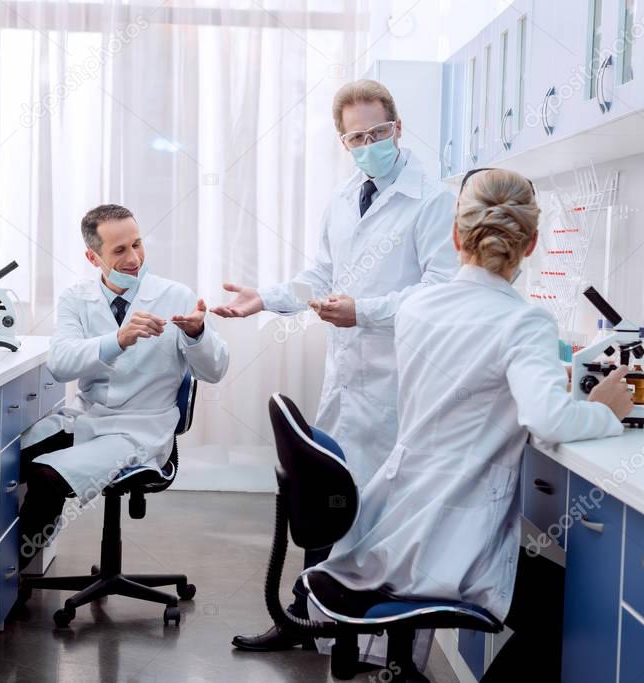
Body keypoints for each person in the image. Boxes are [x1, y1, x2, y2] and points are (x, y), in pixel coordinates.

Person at [308, 168, 634, 681]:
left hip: (393, 525)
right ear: (530, 247)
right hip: (453, 541)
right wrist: (607, 409)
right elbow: (547, 418)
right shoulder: (524, 321)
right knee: (574, 612)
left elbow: (464, 376)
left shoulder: (417, 305)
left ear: (456, 236)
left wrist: (541, 370)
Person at [216, 80, 458, 652]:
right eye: (356, 137)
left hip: (400, 384)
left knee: (382, 517)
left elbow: (441, 292)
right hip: (348, 377)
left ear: (398, 129)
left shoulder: (435, 199)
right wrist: (266, 298)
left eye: (378, 132)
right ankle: (304, 619)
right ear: (343, 141)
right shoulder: (346, 197)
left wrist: (365, 313)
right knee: (329, 499)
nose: (368, 143)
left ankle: (383, 646)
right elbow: (320, 277)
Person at [17, 203, 229, 570]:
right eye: (119, 250)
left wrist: (197, 334)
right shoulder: (76, 298)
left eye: (137, 244)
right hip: (89, 418)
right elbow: (61, 363)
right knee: (6, 461)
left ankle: (11, 571)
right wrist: (117, 340)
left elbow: (216, 370)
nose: (134, 258)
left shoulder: (175, 295)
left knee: (46, 476)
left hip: (140, 429)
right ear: (92, 256)